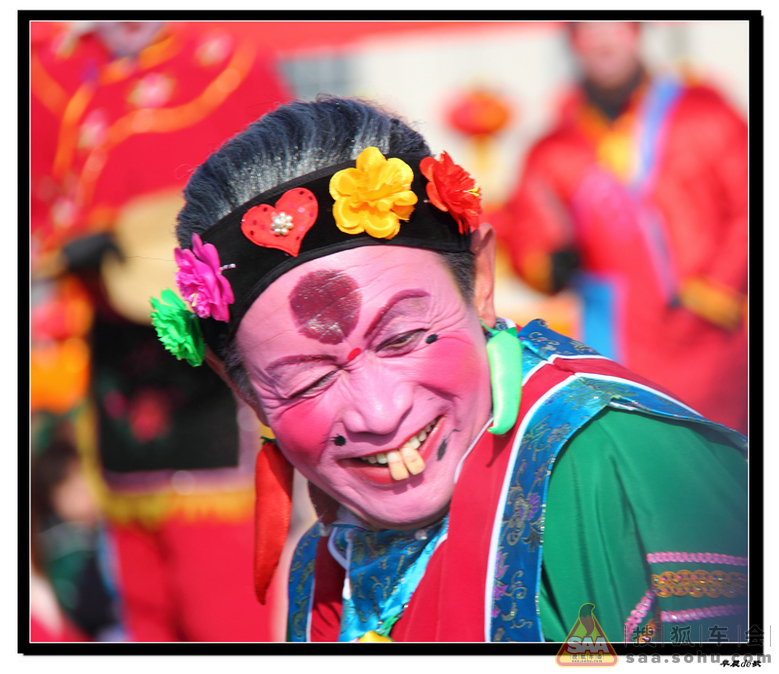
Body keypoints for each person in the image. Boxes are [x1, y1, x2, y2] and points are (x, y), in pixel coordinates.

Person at [149, 97, 748, 643]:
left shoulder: (623, 471)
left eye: (404, 337)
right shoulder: (330, 564)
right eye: (309, 380)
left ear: (480, 281)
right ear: (246, 392)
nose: (381, 415)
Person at [30, 20, 291, 641]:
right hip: (114, 360)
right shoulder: (51, 72)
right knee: (142, 601)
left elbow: (278, 197)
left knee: (223, 594)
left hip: (211, 363)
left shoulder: (226, 62)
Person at [495, 22, 748, 435]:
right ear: (573, 44)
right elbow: (526, 231)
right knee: (643, 455)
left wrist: (718, 288)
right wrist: (546, 263)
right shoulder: (552, 148)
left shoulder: (706, 114)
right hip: (613, 335)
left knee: (723, 464)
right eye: (587, 31)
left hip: (708, 335)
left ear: (635, 33)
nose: (602, 40)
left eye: (614, 26)